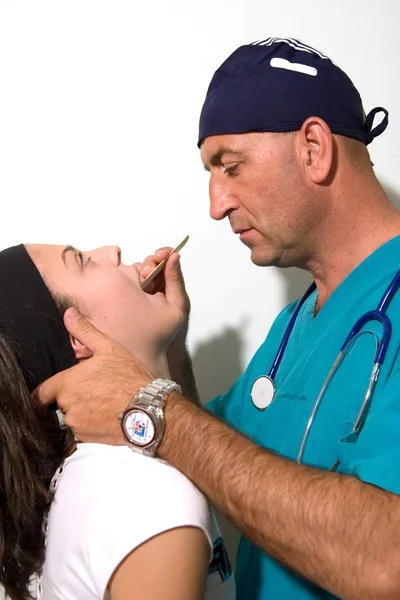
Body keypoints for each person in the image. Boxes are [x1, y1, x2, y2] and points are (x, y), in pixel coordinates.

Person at [35, 36, 400, 600]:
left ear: (313, 149)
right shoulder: (295, 326)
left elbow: (387, 561)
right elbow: (220, 460)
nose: (215, 204)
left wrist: (150, 409)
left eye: (230, 167)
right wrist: (170, 349)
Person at [0, 243, 235, 600]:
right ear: (78, 338)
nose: (112, 250)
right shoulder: (150, 501)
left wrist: (170, 348)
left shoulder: (90, 476)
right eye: (82, 261)